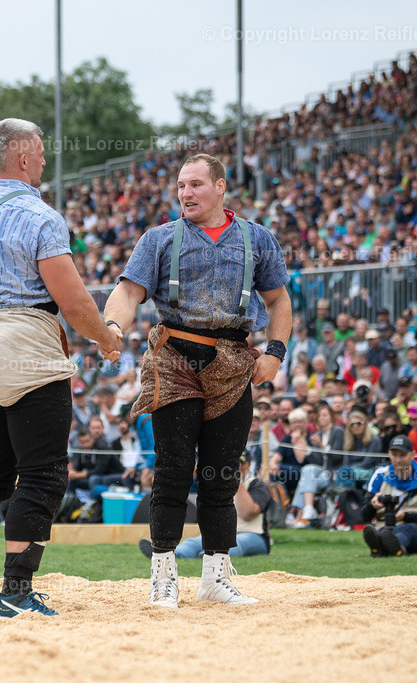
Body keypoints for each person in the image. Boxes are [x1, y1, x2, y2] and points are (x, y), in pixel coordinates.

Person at [0, 118, 121, 618]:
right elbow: (74, 302)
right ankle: (16, 591)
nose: (44, 160)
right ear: (23, 158)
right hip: (26, 339)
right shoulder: (39, 216)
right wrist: (107, 337)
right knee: (43, 474)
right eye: (40, 153)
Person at [102, 152, 291, 607]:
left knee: (222, 475)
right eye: (181, 186)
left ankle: (215, 578)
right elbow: (128, 292)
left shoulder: (258, 238)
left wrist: (275, 352)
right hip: (174, 357)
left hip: (234, 359)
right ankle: (163, 577)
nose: (185, 193)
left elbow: (279, 300)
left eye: (196, 185)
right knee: (172, 470)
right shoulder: (159, 238)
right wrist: (111, 327)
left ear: (221, 187)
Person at [139, 450, 270, 559]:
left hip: (255, 535)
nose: (234, 466)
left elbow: (247, 513)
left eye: (239, 463)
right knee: (193, 542)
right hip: (224, 533)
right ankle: (174, 555)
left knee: (238, 543)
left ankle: (210, 555)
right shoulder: (219, 484)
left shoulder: (256, 484)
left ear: (247, 465)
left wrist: (237, 480)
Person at [361, 435, 417, 556]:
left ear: (413, 455)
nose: (398, 460)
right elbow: (363, 516)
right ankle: (391, 548)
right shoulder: (380, 475)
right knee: (385, 531)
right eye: (394, 455)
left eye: (403, 455)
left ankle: (381, 547)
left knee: (404, 530)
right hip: (385, 526)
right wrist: (372, 506)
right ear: (389, 454)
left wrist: (406, 516)